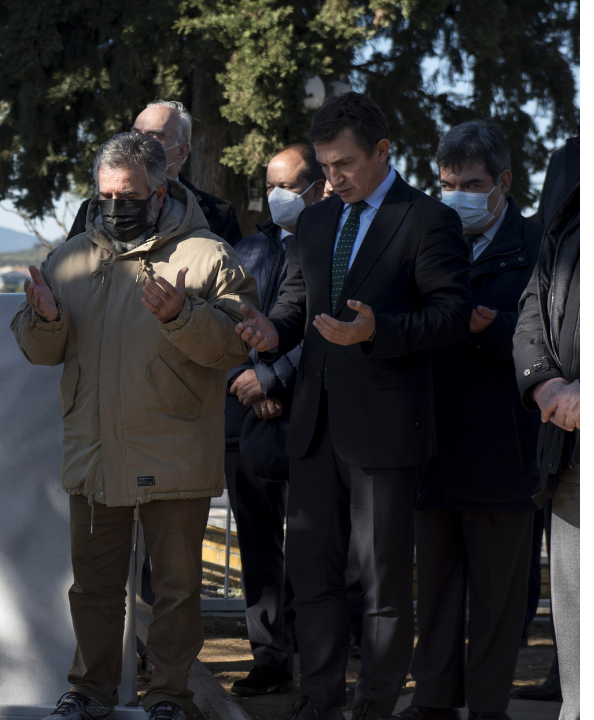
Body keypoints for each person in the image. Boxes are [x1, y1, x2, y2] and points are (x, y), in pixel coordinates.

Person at [235, 91, 472, 720]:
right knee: (311, 576)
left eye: (343, 165)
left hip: (388, 432)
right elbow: (294, 305)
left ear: (383, 152)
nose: (331, 179)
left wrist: (379, 332)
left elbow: (450, 317)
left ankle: (374, 706)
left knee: (383, 584)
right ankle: (319, 702)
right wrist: (269, 332)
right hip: (313, 429)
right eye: (325, 165)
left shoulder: (426, 219)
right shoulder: (313, 222)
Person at [14, 132, 256, 720]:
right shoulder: (70, 257)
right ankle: (90, 690)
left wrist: (182, 314)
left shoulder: (206, 254)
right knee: (92, 589)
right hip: (94, 449)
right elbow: (39, 350)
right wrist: (43, 319)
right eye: (105, 194)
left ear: (160, 192)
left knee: (176, 591)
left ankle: (171, 696)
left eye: (129, 194)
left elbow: (234, 345)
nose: (115, 204)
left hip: (174, 449)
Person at [395, 120, 541, 720]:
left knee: (499, 602)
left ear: (504, 182)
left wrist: (493, 331)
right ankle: (431, 702)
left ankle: (486, 707)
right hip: (432, 446)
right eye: (445, 182)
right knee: (434, 594)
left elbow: (555, 341)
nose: (456, 195)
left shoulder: (538, 247)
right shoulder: (429, 235)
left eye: (471, 183)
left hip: (505, 451)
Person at [224, 143, 325, 696]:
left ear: (317, 187)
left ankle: (320, 658)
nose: (276, 196)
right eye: (270, 186)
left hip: (313, 415)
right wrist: (249, 382)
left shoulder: (337, 243)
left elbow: (318, 327)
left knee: (317, 542)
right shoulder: (247, 250)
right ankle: (268, 655)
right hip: (249, 420)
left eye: (287, 185)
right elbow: (227, 321)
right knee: (259, 542)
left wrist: (276, 381)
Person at [514, 180, 579, 720]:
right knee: (578, 628)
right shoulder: (571, 210)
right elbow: (536, 302)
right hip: (570, 452)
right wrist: (546, 385)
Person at [67, 101, 242, 246]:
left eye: (154, 136)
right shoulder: (92, 210)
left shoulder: (218, 215)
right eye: (135, 133)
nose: (140, 142)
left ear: (181, 151)